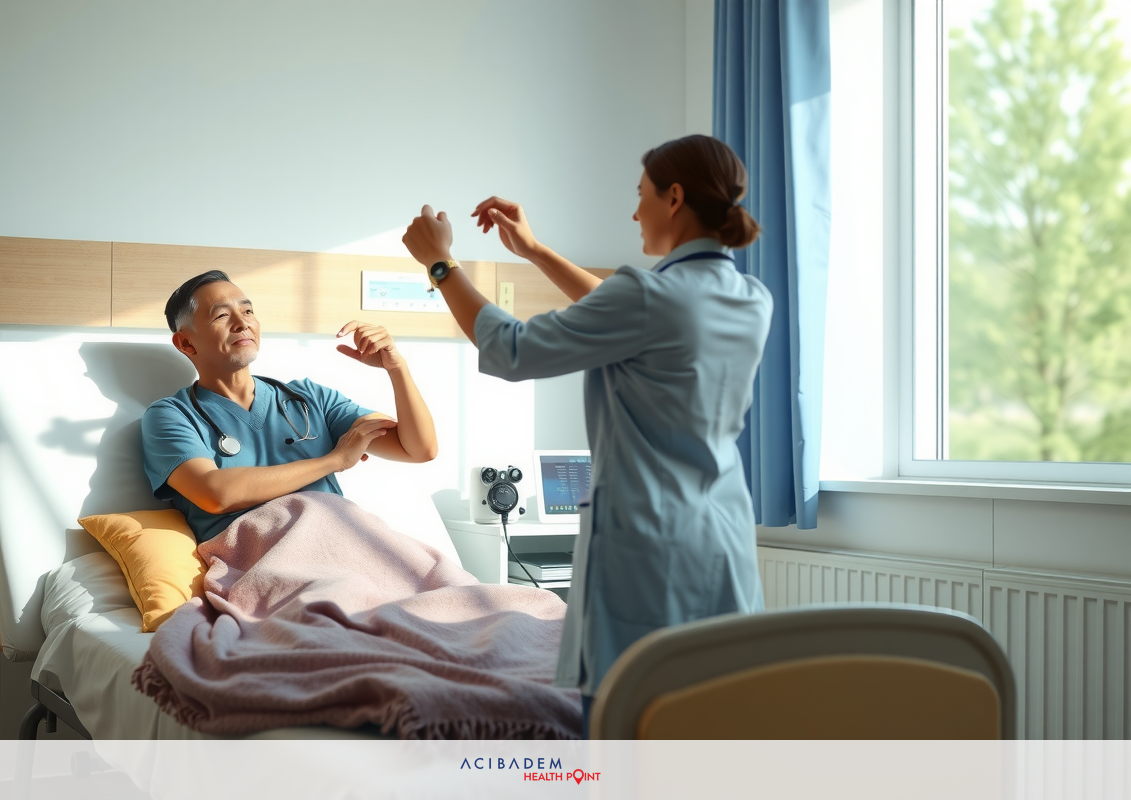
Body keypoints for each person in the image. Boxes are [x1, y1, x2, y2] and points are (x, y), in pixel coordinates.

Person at [401, 134, 772, 735]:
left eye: (641, 196)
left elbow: (511, 349)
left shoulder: (649, 299)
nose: (634, 213)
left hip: (648, 544)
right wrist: (536, 251)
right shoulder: (748, 297)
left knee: (629, 722)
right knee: (713, 717)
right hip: (723, 536)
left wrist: (441, 266)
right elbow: (630, 316)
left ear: (673, 198)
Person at [142, 270, 438, 543]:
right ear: (185, 344)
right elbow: (216, 493)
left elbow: (419, 449)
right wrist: (335, 460)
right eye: (221, 315)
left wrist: (396, 368)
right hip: (259, 557)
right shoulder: (171, 416)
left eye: (247, 311)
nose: (242, 323)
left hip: (342, 540)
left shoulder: (312, 398)